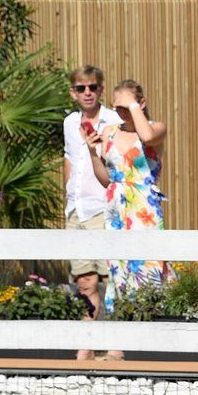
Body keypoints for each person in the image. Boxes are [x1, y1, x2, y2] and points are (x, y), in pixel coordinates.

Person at [85, 79, 173, 354]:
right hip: (115, 205)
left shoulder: (155, 129)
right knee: (118, 271)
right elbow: (105, 179)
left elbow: (146, 138)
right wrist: (92, 153)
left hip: (143, 205)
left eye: (125, 106)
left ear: (141, 103)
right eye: (117, 107)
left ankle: (153, 337)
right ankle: (117, 346)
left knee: (147, 266)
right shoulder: (109, 132)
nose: (120, 113)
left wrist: (133, 106)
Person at [62, 65, 122, 360]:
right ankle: (86, 344)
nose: (88, 93)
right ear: (73, 92)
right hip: (77, 210)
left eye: (93, 87)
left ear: (101, 89)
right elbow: (69, 158)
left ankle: (115, 346)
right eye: (81, 88)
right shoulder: (70, 122)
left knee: (110, 278)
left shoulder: (114, 120)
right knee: (85, 281)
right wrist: (69, 194)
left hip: (104, 208)